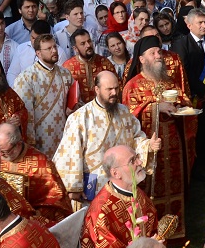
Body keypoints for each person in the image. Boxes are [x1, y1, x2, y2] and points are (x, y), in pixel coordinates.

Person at [122, 36, 196, 238]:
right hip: (147, 148)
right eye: (153, 53)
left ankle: (175, 230)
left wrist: (181, 108)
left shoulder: (169, 82)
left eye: (159, 52)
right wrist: (155, 107)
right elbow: (128, 119)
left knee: (174, 185)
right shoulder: (133, 86)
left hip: (173, 145)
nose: (159, 56)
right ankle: (150, 232)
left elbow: (184, 100)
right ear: (142, 59)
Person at [54, 71, 160, 208]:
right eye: (109, 89)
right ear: (97, 90)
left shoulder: (124, 112)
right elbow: (69, 154)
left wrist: (148, 146)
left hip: (123, 182)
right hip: (94, 187)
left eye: (116, 88)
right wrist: (74, 186)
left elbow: (136, 138)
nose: (114, 93)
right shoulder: (80, 118)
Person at [12, 34, 73, 159]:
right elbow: (25, 112)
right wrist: (30, 141)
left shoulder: (65, 74)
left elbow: (76, 101)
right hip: (40, 138)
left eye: (55, 47)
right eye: (49, 48)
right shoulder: (27, 77)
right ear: (38, 53)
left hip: (64, 135)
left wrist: (73, 107)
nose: (54, 51)